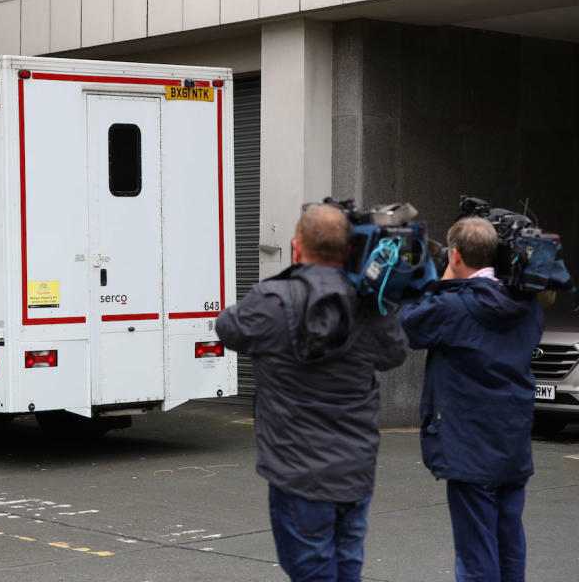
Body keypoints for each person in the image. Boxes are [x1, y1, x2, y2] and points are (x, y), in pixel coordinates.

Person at [216, 204, 408, 582]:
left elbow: (227, 327)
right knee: (347, 564)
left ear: (296, 247)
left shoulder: (272, 300)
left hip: (296, 473)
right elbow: (395, 353)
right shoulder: (368, 303)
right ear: (350, 250)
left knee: (311, 570)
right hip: (354, 469)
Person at [399, 217, 543, 582]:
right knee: (509, 542)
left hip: (468, 446)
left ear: (457, 254)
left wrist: (444, 279)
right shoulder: (527, 305)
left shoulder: (453, 307)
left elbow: (409, 325)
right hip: (512, 442)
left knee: (476, 553)